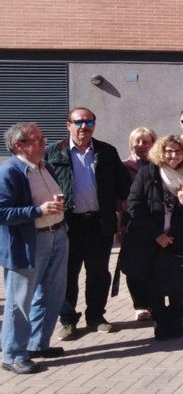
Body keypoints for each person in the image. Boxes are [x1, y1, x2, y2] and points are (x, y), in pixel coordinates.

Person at [46, 107, 130, 340]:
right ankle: (68, 320)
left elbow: (123, 185)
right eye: (78, 122)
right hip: (68, 225)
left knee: (98, 273)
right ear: (68, 125)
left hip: (99, 223)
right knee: (67, 273)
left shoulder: (106, 151)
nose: (84, 126)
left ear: (94, 124)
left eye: (89, 122)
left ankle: (95, 316)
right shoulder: (53, 153)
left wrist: (126, 206)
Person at [0, 123, 67, 374]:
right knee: (19, 302)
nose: (43, 143)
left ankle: (37, 344)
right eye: (37, 139)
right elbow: (2, 211)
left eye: (43, 137)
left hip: (57, 237)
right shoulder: (10, 172)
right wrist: (38, 211)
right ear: (20, 145)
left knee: (52, 296)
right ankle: (13, 355)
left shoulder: (44, 166)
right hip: (28, 243)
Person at [123, 135, 183, 340]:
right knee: (154, 284)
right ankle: (160, 322)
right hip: (151, 240)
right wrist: (156, 235)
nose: (173, 155)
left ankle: (176, 320)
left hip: (179, 241)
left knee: (177, 283)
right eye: (168, 151)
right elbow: (134, 206)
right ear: (161, 152)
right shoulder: (149, 172)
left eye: (177, 151)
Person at [121, 127, 157, 321]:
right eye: (138, 142)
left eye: (146, 142)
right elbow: (118, 194)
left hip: (155, 223)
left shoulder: (159, 166)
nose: (141, 146)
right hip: (132, 223)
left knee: (154, 264)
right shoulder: (124, 166)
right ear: (131, 144)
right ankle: (140, 304)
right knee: (135, 265)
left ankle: (154, 302)